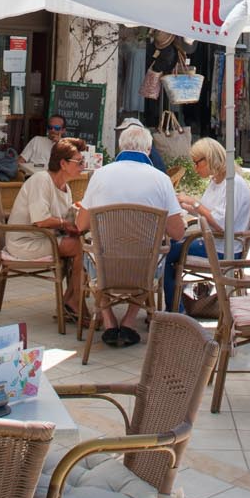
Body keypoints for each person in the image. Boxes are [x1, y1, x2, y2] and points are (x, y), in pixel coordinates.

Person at [76, 121, 186, 347]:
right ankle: (128, 320)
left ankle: (107, 319)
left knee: (94, 251)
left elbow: (80, 225)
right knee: (153, 255)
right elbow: (177, 232)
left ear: (120, 148)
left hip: (104, 266)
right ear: (148, 150)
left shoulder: (99, 176)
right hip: (143, 268)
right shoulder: (161, 179)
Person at [3, 136, 88, 319]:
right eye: (79, 162)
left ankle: (69, 301)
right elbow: (41, 220)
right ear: (63, 163)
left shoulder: (66, 187)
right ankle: (73, 302)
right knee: (80, 248)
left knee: (85, 245)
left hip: (45, 238)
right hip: (25, 242)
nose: (83, 166)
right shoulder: (41, 180)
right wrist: (66, 223)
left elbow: (62, 217)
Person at [164, 137, 250, 310]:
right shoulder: (217, 180)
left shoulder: (233, 184)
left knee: (165, 253)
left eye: (197, 163)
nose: (195, 168)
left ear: (209, 159)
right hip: (212, 241)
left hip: (223, 249)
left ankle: (176, 311)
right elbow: (207, 210)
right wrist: (185, 204)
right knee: (169, 246)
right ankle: (175, 307)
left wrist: (193, 203)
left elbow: (220, 224)